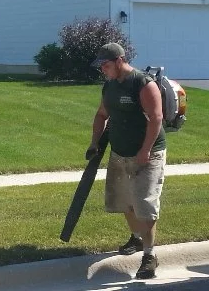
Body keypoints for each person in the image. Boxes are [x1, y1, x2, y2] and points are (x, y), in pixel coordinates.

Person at [87, 42, 167, 280]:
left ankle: (150, 256)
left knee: (145, 204)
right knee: (125, 201)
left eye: (106, 64)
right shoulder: (109, 85)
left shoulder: (142, 83)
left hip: (148, 154)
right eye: (101, 65)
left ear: (120, 61)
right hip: (119, 153)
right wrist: (94, 142)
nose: (103, 69)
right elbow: (102, 114)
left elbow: (156, 118)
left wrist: (145, 150)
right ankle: (137, 237)